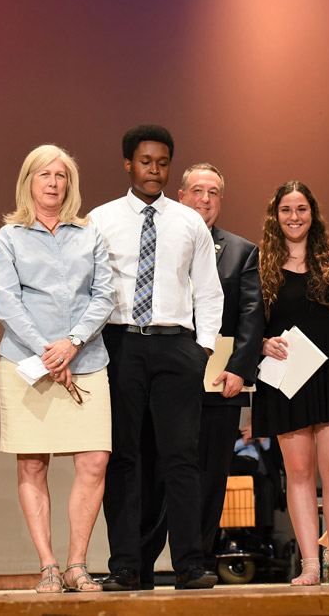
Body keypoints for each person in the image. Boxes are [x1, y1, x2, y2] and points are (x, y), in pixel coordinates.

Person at [90, 124, 223, 591]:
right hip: (120, 344)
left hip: (175, 345)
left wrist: (201, 347)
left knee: (180, 459)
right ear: (128, 163)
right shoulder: (101, 219)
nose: (155, 170)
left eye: (163, 163)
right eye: (145, 161)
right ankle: (125, 565)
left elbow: (208, 289)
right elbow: (89, 288)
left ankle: (190, 562)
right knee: (123, 458)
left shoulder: (189, 222)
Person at [0, 145, 115, 592]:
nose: (53, 182)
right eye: (44, 174)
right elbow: (6, 300)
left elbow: (104, 296)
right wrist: (48, 352)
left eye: (61, 175)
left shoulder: (89, 233)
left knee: (96, 461)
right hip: (29, 364)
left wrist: (72, 344)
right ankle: (48, 565)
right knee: (33, 465)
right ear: (29, 181)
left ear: (70, 183)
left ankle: (77, 563)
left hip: (86, 360)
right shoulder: (10, 236)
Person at [139, 163, 266, 582]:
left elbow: (251, 317)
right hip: (160, 381)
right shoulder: (156, 242)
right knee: (155, 471)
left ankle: (198, 562)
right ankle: (140, 562)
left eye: (213, 192)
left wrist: (239, 369)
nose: (205, 199)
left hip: (217, 385)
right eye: (197, 190)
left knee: (209, 476)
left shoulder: (241, 251)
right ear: (181, 195)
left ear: (221, 200)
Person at [252, 181, 329, 585]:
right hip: (286, 377)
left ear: (313, 213)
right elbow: (249, 323)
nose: (294, 217)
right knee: (298, 473)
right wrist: (261, 344)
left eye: (301, 209)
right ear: (274, 215)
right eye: (286, 210)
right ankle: (310, 565)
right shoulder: (262, 261)